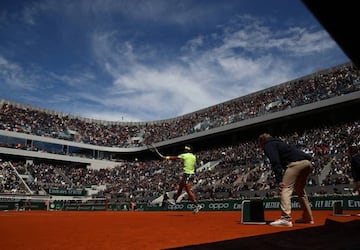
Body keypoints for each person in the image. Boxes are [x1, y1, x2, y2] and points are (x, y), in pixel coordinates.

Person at [258, 133, 314, 227]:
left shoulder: (268, 145)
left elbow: (275, 161)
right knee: (300, 191)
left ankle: (285, 218)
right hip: (307, 164)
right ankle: (308, 217)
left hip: (295, 165)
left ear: (262, 141)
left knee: (285, 188)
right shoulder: (279, 143)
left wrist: (279, 179)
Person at [163, 145, 202, 213]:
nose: (185, 150)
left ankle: (197, 205)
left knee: (187, 190)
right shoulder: (193, 156)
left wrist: (166, 157)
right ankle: (174, 200)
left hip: (188, 174)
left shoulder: (185, 155)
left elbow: (175, 157)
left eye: (186, 149)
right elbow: (187, 162)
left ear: (187, 150)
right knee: (180, 187)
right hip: (190, 174)